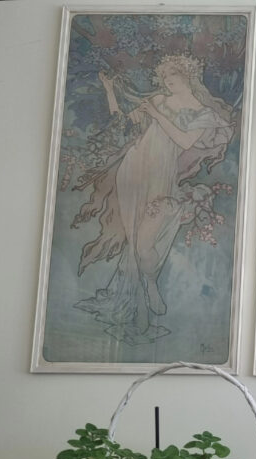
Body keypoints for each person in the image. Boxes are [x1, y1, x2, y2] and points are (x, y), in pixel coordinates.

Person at [73, 54, 233, 342]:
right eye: (164, 77)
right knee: (134, 239)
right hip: (133, 170)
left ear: (188, 76)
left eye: (173, 76)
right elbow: (122, 122)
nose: (167, 82)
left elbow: (184, 141)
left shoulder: (202, 113)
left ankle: (149, 282)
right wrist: (110, 91)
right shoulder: (159, 99)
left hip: (162, 177)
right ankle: (136, 313)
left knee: (145, 244)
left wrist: (157, 115)